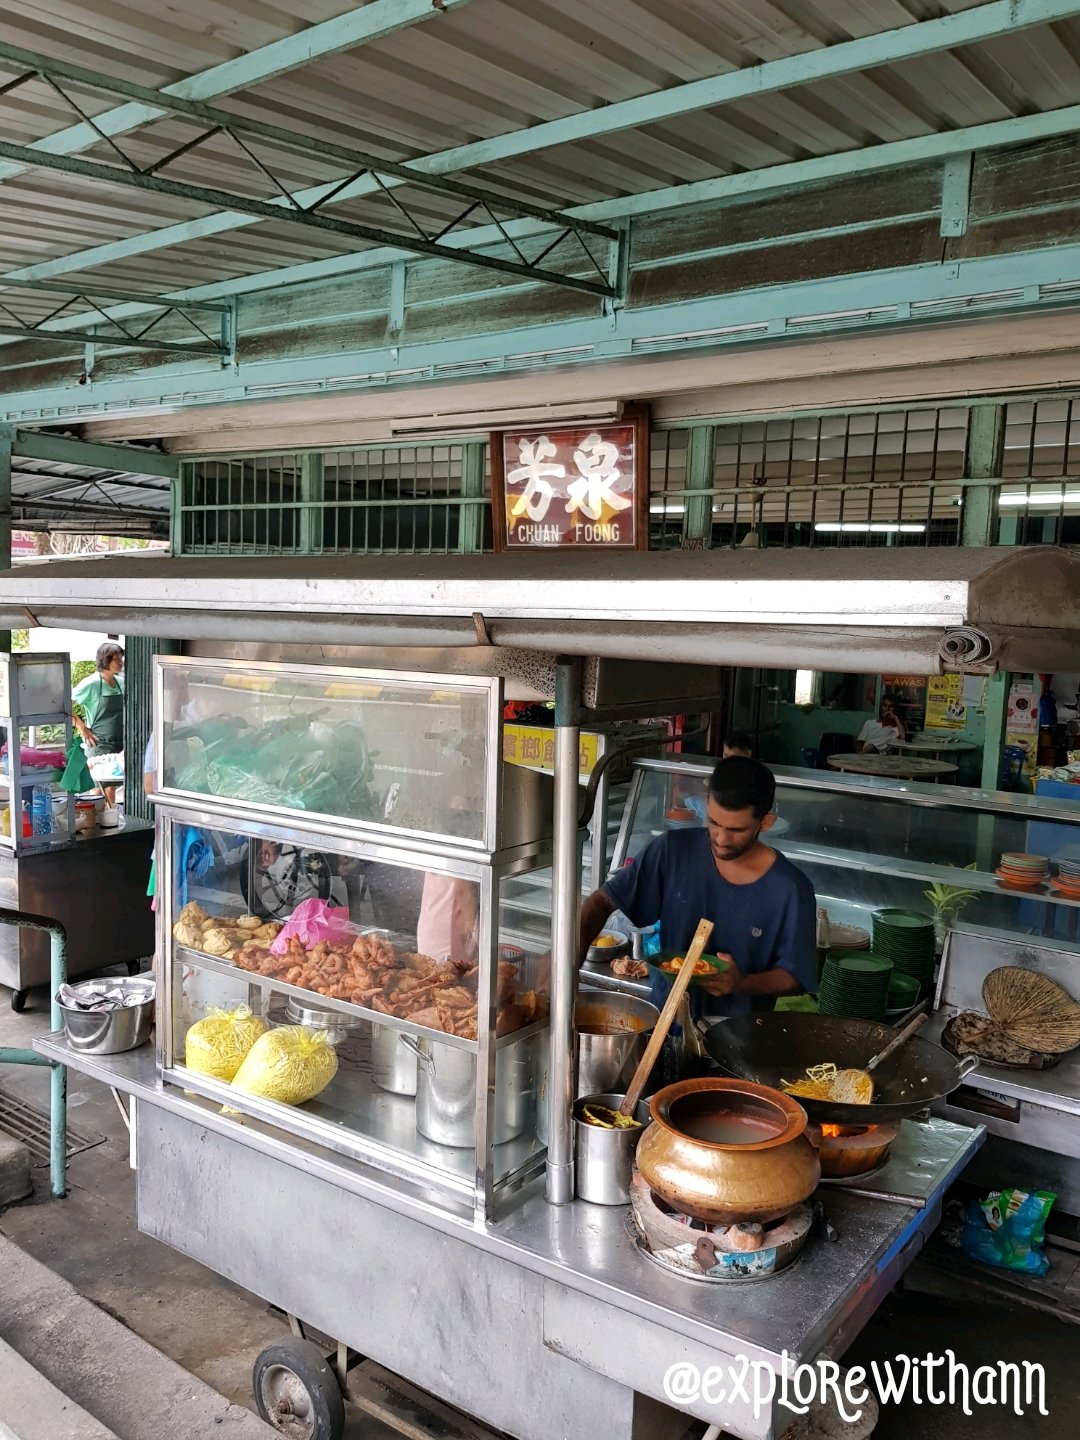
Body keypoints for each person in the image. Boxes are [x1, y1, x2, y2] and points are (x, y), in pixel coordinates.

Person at [579, 758, 815, 1019]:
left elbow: (795, 976)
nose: (721, 839)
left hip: (740, 1034)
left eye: (737, 830)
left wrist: (742, 983)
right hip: (666, 1023)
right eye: (714, 822)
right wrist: (564, 960)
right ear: (706, 803)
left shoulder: (790, 889)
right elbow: (602, 902)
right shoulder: (672, 851)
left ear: (766, 822)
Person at [72, 642, 125, 807]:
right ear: (105, 660)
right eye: (116, 659)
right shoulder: (92, 684)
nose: (120, 662)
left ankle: (104, 818)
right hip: (99, 744)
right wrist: (81, 727)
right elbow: (64, 703)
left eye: (121, 658)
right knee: (102, 787)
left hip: (119, 742)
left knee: (110, 787)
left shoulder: (121, 683)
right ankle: (96, 819)